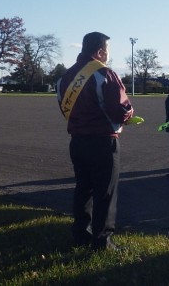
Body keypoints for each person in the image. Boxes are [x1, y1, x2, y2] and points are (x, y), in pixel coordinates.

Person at [56, 31, 133, 249]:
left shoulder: (64, 78)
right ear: (100, 51)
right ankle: (102, 241)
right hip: (102, 141)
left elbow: (65, 110)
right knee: (105, 191)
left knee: (83, 188)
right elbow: (120, 110)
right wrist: (128, 115)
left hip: (77, 140)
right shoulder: (104, 73)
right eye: (107, 51)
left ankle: (81, 233)